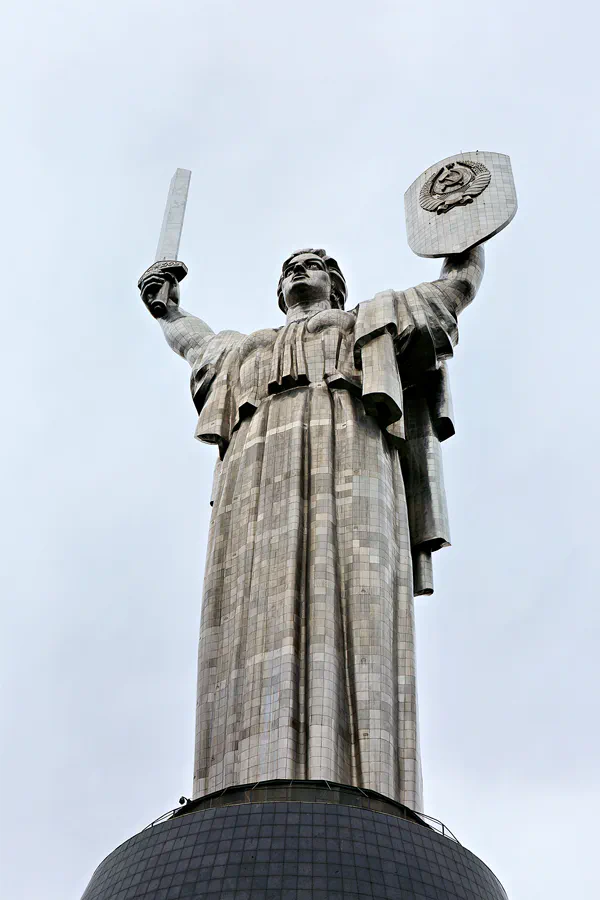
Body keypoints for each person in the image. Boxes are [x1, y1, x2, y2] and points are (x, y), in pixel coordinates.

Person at [138, 244, 484, 810]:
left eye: (312, 265)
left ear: (335, 284)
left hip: (352, 448)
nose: (299, 272)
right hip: (254, 478)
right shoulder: (245, 349)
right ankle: (237, 787)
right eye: (289, 269)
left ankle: (366, 786)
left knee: (358, 595)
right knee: (249, 608)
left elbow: (450, 296)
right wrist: (168, 312)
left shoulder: (369, 323)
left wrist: (464, 237)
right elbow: (194, 344)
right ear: (279, 292)